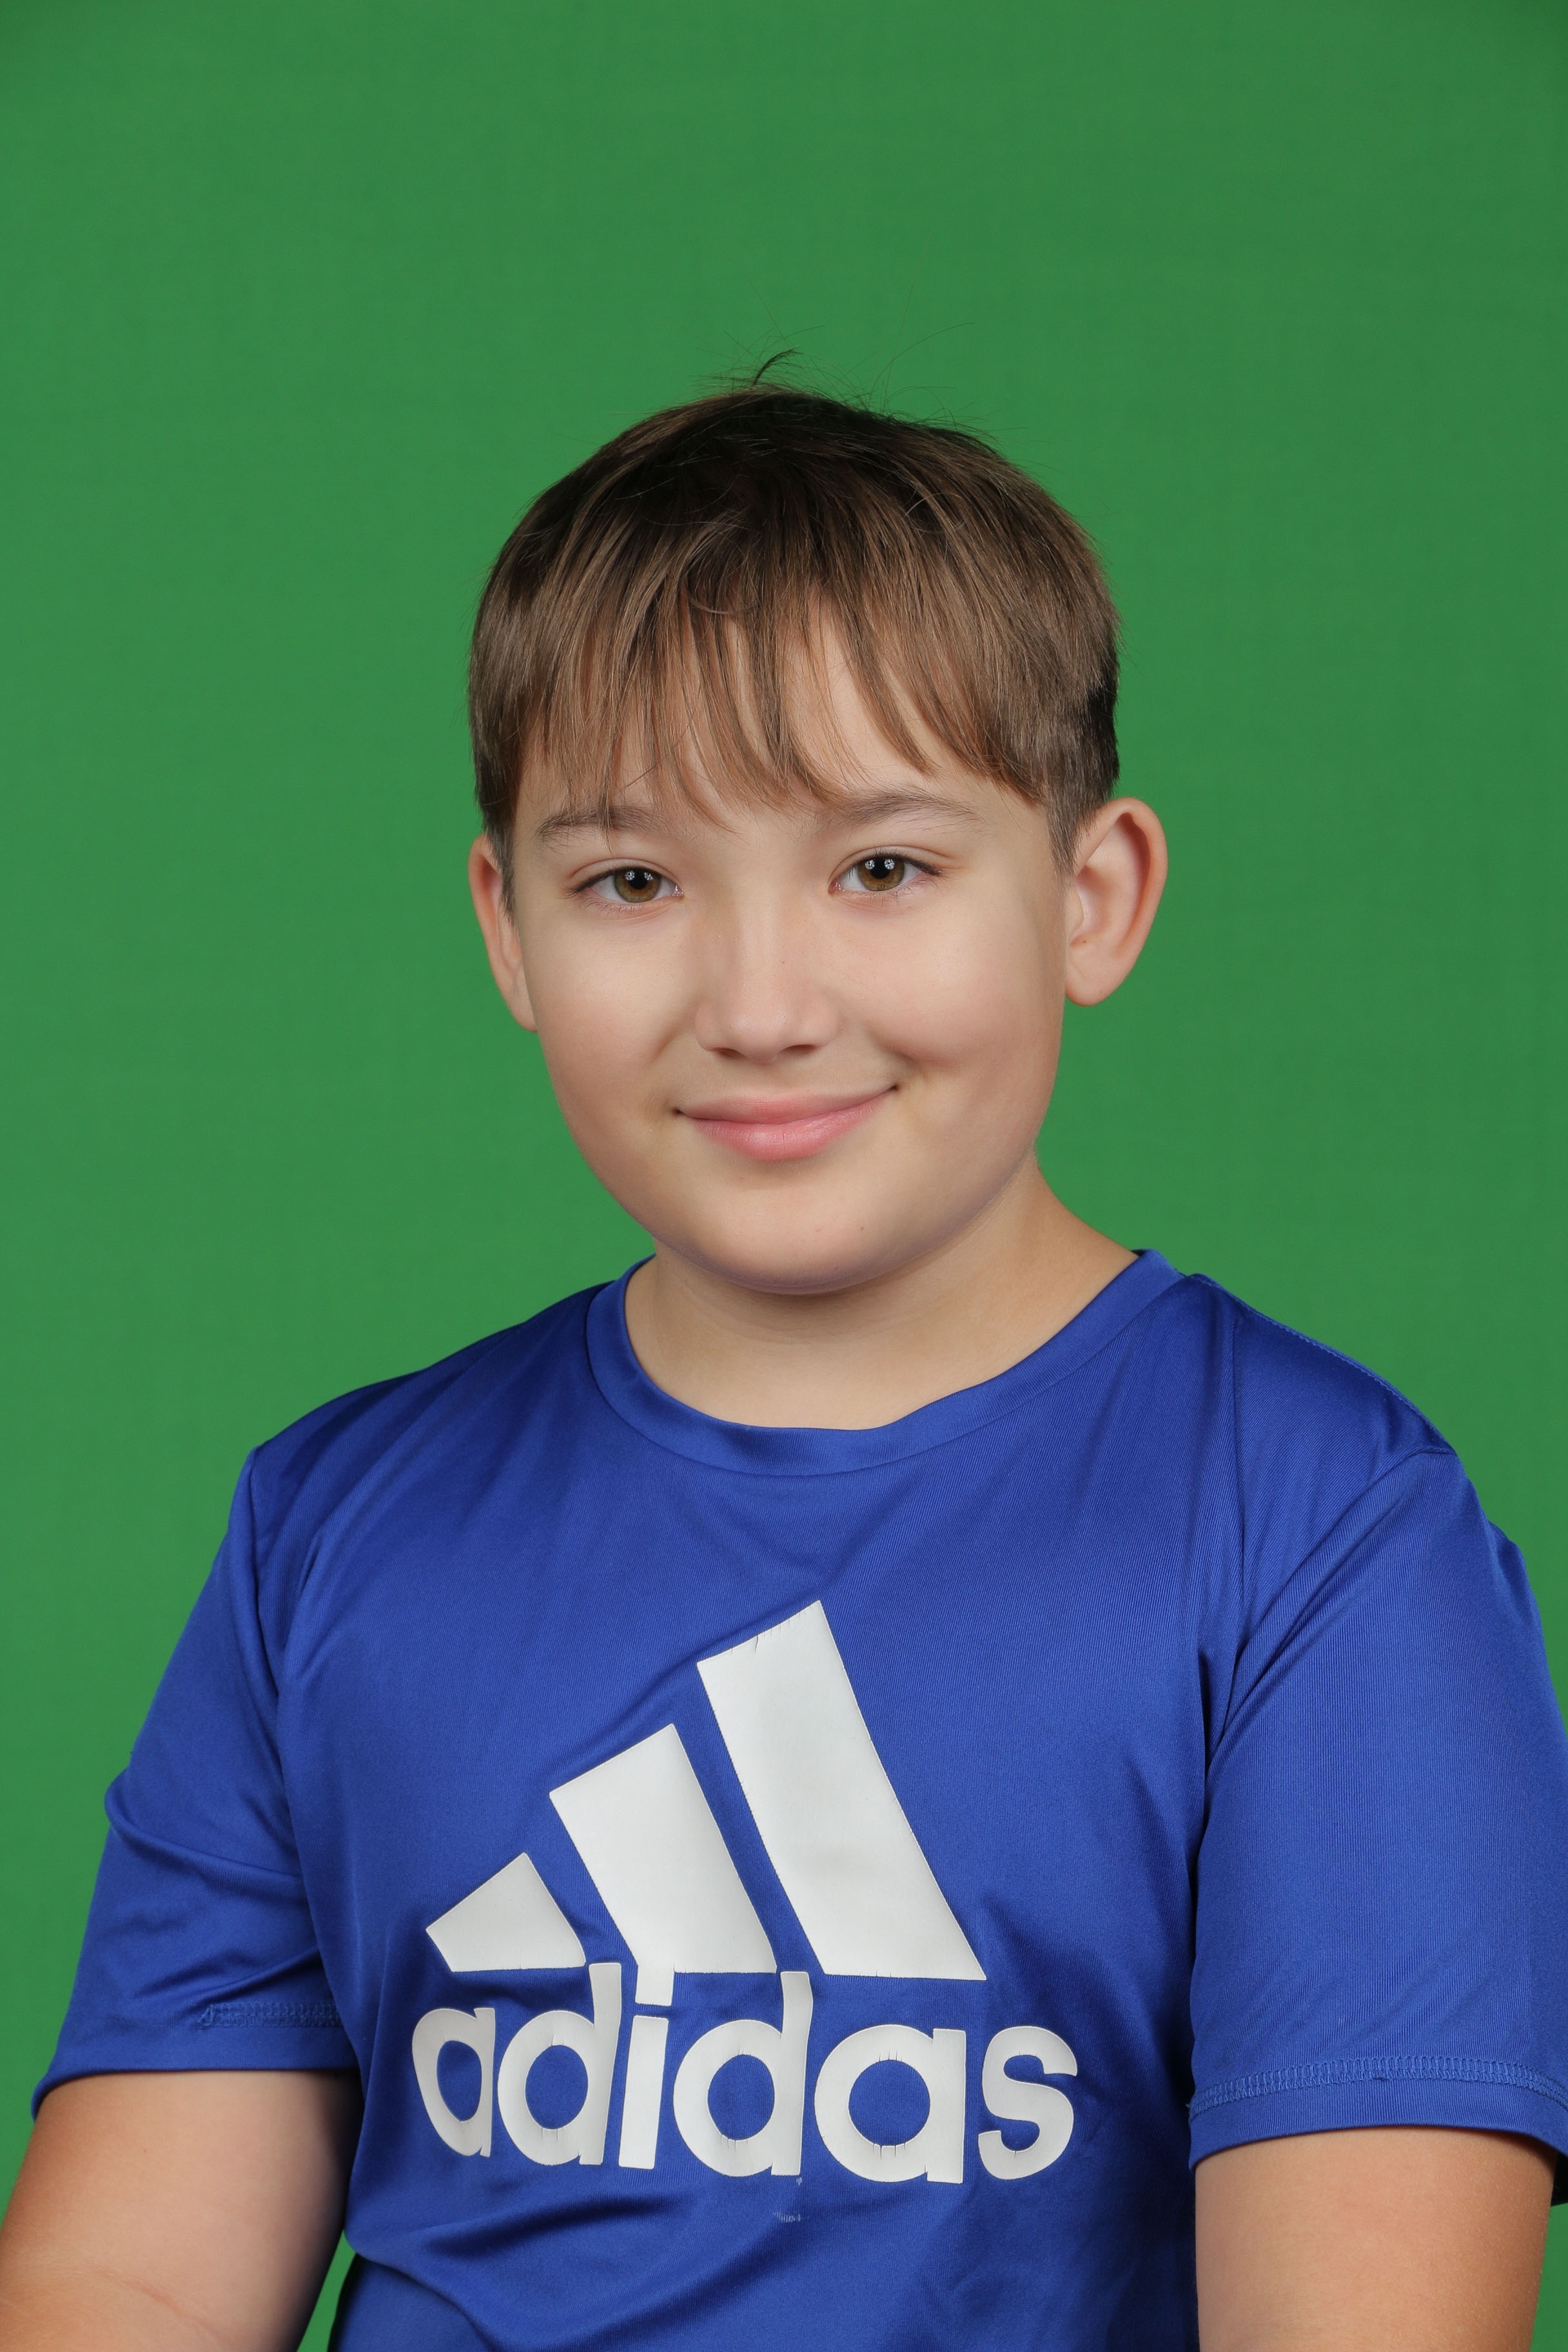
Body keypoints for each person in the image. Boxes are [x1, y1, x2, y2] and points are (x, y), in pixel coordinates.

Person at [1, 385, 1564, 2352]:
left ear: (1091, 899)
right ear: (507, 928)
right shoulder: (331, 1531)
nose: (759, 1005)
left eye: (883, 869)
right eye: (634, 882)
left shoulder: (1327, 1541)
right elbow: (126, 2279)